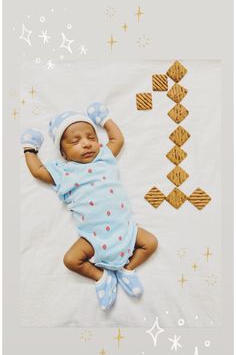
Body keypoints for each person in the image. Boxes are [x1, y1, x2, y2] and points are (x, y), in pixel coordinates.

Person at [20, 103, 158, 311]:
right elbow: (39, 171)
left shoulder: (104, 157)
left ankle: (127, 270)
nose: (86, 144)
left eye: (91, 138)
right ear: (63, 154)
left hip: (126, 229)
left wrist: (104, 120)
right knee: (71, 260)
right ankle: (101, 277)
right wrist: (30, 149)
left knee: (151, 242)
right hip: (94, 237)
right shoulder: (64, 172)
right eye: (76, 141)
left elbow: (117, 139)